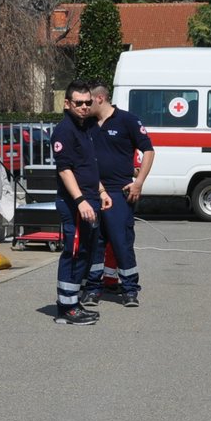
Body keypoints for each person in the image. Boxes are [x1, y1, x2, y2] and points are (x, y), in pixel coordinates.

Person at [80, 79, 154, 309]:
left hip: (119, 192)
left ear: (100, 98)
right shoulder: (86, 124)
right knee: (95, 243)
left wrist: (139, 182)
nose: (84, 106)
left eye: (88, 101)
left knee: (121, 243)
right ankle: (93, 288)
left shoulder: (127, 121)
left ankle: (130, 289)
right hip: (92, 193)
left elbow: (149, 151)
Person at [50, 80, 110, 325]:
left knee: (84, 252)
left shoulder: (84, 128)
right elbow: (65, 170)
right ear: (67, 103)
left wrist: (101, 191)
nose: (84, 107)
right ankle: (66, 307)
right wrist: (81, 200)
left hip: (90, 200)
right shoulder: (65, 130)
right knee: (74, 253)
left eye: (88, 102)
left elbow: (87, 167)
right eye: (79, 103)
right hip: (76, 205)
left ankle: (71, 301)